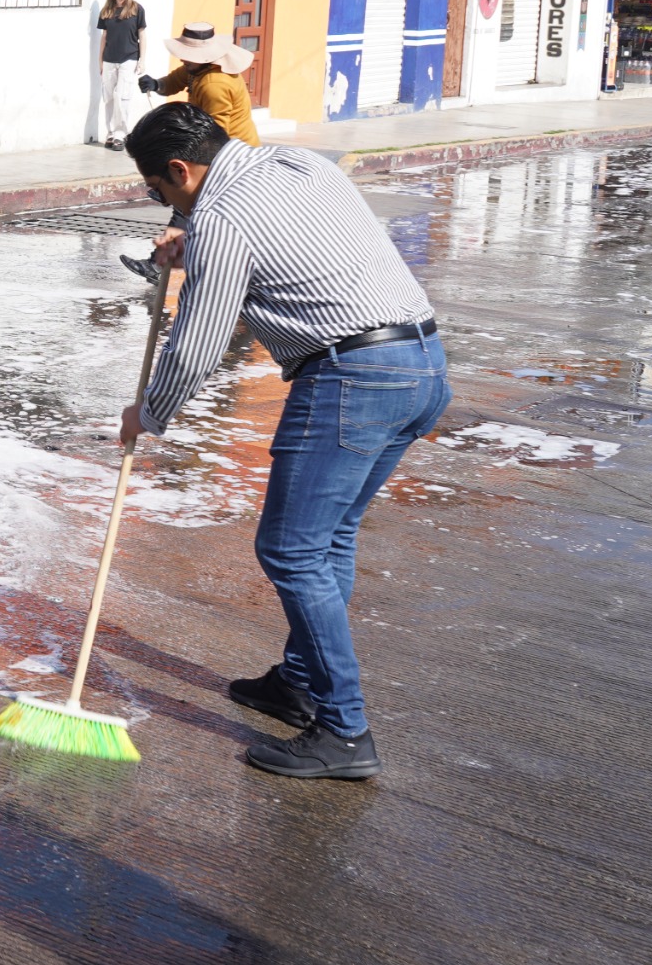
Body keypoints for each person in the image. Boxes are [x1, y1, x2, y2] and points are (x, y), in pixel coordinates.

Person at [123, 103, 448, 781]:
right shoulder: (297, 162)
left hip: (351, 379)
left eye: (160, 192)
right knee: (328, 539)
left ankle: (345, 732)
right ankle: (300, 682)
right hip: (421, 364)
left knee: (291, 551)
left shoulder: (220, 218)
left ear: (181, 169)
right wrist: (193, 241)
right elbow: (291, 242)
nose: (168, 207)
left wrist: (147, 414)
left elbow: (199, 345)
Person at [140, 21, 261, 147]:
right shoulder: (198, 67)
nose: (182, 59)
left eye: (187, 55)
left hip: (235, 150)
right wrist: (156, 84)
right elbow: (174, 81)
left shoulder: (214, 85)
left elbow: (216, 132)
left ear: (203, 56)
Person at [92, 0, 148, 150]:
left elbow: (142, 35)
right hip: (109, 58)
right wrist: (100, 60)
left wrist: (142, 60)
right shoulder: (107, 10)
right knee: (108, 97)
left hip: (129, 58)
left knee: (123, 97)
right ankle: (110, 133)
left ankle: (120, 135)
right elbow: (104, 37)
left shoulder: (136, 9)